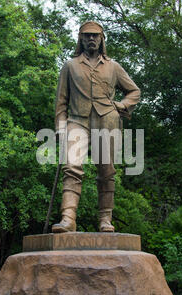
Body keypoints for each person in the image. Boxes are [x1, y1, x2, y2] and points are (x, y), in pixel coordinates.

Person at [52, 21, 140, 233]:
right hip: (76, 121)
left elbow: (134, 92)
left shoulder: (113, 67)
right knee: (71, 167)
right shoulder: (70, 66)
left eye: (95, 36)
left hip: (106, 121)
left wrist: (121, 105)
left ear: (101, 39)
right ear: (80, 39)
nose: (91, 39)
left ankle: (105, 220)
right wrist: (60, 127)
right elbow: (61, 101)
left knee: (106, 171)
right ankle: (68, 218)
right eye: (87, 36)